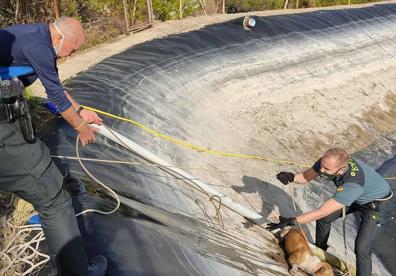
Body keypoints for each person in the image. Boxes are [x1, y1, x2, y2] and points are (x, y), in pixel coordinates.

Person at [0, 17, 107, 275]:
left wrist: (81, 111)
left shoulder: (39, 38)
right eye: (73, 48)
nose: (72, 54)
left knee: (38, 163)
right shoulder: (40, 47)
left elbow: (55, 87)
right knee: (54, 197)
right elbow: (56, 98)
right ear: (60, 38)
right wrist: (82, 128)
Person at [267, 148, 392, 276]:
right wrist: (292, 177)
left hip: (376, 204)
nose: (322, 170)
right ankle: (321, 252)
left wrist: (291, 221)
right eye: (322, 166)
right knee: (325, 219)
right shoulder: (327, 162)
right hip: (359, 194)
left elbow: (321, 212)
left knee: (362, 248)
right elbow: (306, 176)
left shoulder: (353, 185)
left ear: (341, 170)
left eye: (326, 170)